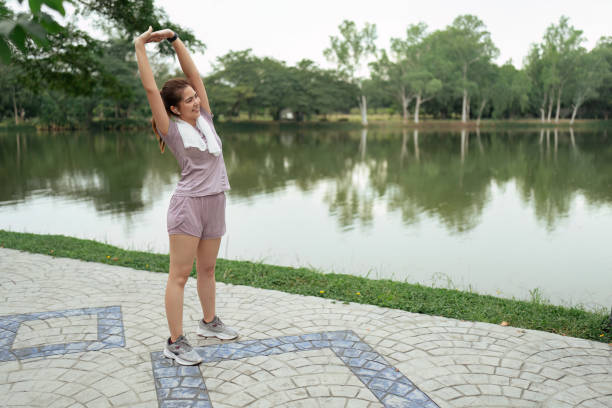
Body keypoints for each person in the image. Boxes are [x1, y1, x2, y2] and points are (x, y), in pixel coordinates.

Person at [134, 27, 238, 366]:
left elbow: (192, 73)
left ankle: (209, 322)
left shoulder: (205, 117)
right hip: (188, 206)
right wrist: (141, 47)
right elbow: (151, 88)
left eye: (197, 96)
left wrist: (175, 39)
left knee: (207, 269)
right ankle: (175, 342)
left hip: (215, 201)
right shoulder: (172, 129)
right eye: (189, 100)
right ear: (175, 110)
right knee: (179, 275)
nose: (196, 101)